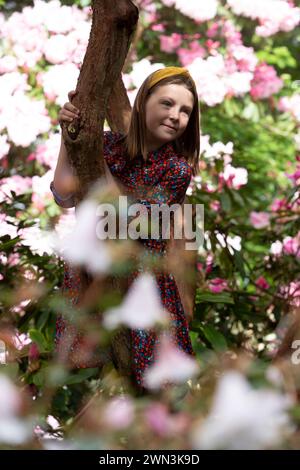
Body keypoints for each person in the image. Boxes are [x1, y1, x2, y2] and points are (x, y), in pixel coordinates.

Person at [51, 66, 200, 390]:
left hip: (140, 290)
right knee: (82, 388)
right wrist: (71, 136)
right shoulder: (106, 144)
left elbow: (126, 220)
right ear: (144, 102)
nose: (176, 115)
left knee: (145, 395)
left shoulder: (176, 169)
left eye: (185, 111)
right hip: (90, 277)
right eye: (167, 103)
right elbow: (64, 192)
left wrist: (93, 160)